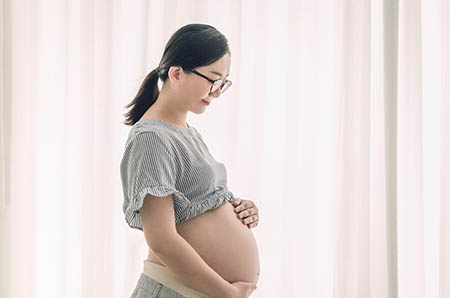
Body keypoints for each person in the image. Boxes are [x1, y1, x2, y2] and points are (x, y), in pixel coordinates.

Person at [120, 23, 260, 298]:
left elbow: (196, 207)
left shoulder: (185, 132)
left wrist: (241, 209)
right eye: (212, 79)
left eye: (224, 82)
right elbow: (161, 240)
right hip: (174, 290)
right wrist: (227, 294)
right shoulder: (151, 137)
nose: (217, 91)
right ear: (177, 73)